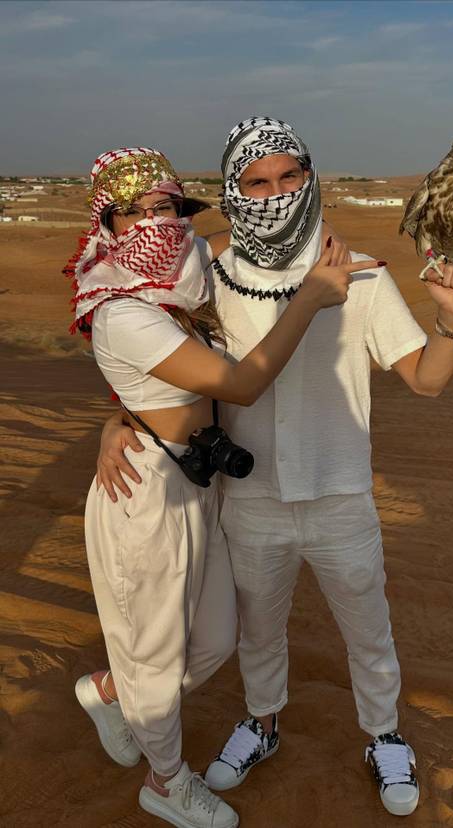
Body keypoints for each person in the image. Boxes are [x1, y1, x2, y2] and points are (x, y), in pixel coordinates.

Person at [97, 118, 453, 818]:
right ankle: (262, 723)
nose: (275, 193)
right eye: (256, 181)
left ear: (310, 177)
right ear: (235, 190)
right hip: (250, 497)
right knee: (257, 632)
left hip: (341, 498)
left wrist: (451, 321)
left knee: (368, 629)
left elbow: (424, 379)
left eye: (289, 176)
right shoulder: (207, 279)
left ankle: (383, 733)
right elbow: (156, 362)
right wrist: (118, 419)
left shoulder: (359, 276)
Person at [69, 145, 378, 828]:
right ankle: (167, 783)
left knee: (214, 638)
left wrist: (117, 416)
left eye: (166, 209)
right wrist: (314, 299)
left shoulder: (177, 282)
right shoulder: (121, 309)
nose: (155, 224)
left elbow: (257, 227)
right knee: (154, 650)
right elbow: (239, 382)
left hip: (198, 481)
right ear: (109, 226)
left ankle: (112, 691)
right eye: (137, 213)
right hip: (144, 493)